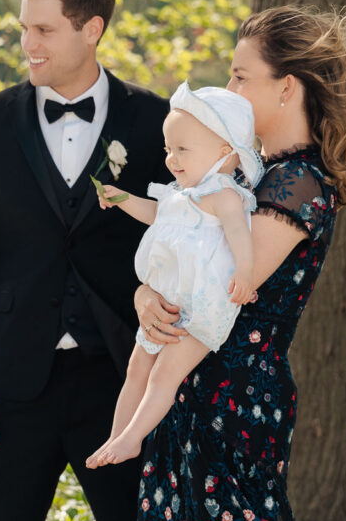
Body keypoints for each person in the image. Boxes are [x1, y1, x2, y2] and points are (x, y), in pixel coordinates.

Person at [132, 5, 346, 521]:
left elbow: (219, 281)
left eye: (241, 76)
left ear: (287, 88)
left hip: (235, 399)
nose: (228, 88)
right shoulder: (254, 174)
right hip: (193, 384)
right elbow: (185, 254)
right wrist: (144, 295)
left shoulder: (298, 180)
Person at [0, 0, 172, 521]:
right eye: (25, 28)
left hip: (124, 377)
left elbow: (182, 241)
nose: (29, 44)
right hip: (15, 386)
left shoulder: (155, 121)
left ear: (91, 29)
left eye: (44, 29)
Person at [84, 82, 263, 469]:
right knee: (137, 367)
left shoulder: (224, 195)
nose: (171, 159)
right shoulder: (178, 195)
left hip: (204, 307)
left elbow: (240, 237)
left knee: (166, 371)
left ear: (224, 153)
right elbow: (154, 214)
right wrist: (121, 199)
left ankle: (132, 439)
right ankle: (116, 436)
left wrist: (246, 275)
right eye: (168, 149)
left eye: (182, 149)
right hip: (171, 300)